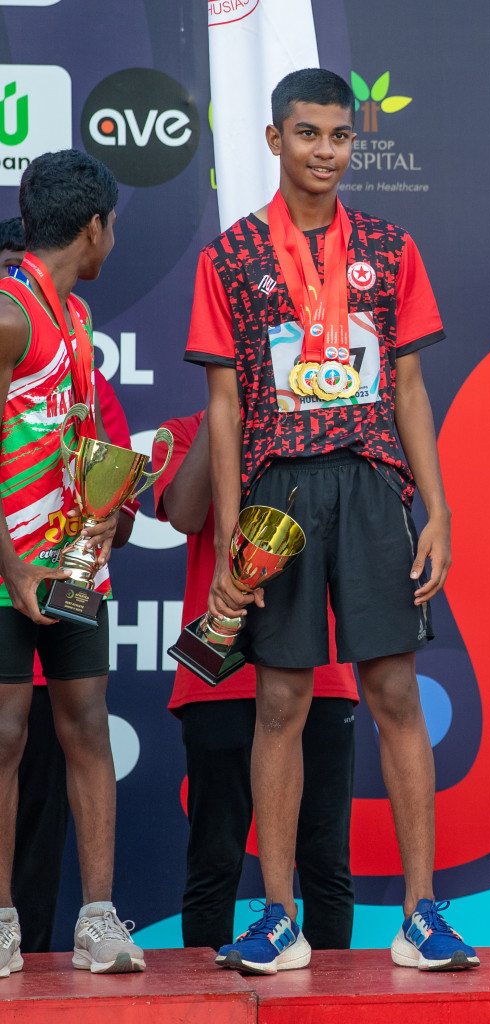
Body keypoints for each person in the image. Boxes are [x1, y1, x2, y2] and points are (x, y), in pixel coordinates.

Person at [183, 69, 475, 974]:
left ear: (356, 143)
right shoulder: (229, 256)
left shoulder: (390, 248)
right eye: (306, 133)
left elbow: (413, 387)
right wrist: (234, 533)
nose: (324, 151)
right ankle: (278, 916)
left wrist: (438, 509)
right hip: (280, 495)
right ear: (275, 140)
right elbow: (224, 409)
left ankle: (423, 916)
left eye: (339, 136)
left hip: (372, 486)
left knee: (393, 695)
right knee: (280, 701)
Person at [0, 150, 145, 974]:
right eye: (112, 228)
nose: (111, 242)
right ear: (93, 227)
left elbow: (80, 437)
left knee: (86, 725)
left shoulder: (80, 321)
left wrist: (111, 509)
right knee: (6, 735)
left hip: (74, 565)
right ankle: (2, 923)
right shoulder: (10, 313)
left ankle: (98, 920)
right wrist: (14, 567)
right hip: (8, 570)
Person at [153, 410, 357, 951]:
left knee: (324, 860)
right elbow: (184, 513)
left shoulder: (318, 423)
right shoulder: (182, 432)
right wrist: (231, 408)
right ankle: (204, 1008)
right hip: (219, 680)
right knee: (215, 859)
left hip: (319, 674)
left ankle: (330, 1008)